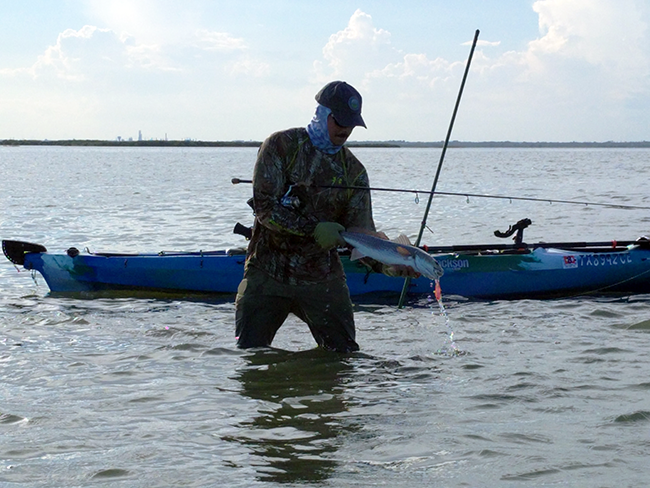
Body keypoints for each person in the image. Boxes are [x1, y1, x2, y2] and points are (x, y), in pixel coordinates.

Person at [235, 80, 417, 353]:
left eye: (352, 123)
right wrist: (313, 229)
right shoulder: (281, 146)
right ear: (322, 114)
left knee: (344, 358)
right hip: (267, 272)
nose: (345, 129)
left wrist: (388, 265)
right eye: (340, 120)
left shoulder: (354, 171)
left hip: (322, 278)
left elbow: (363, 235)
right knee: (251, 356)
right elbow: (265, 209)